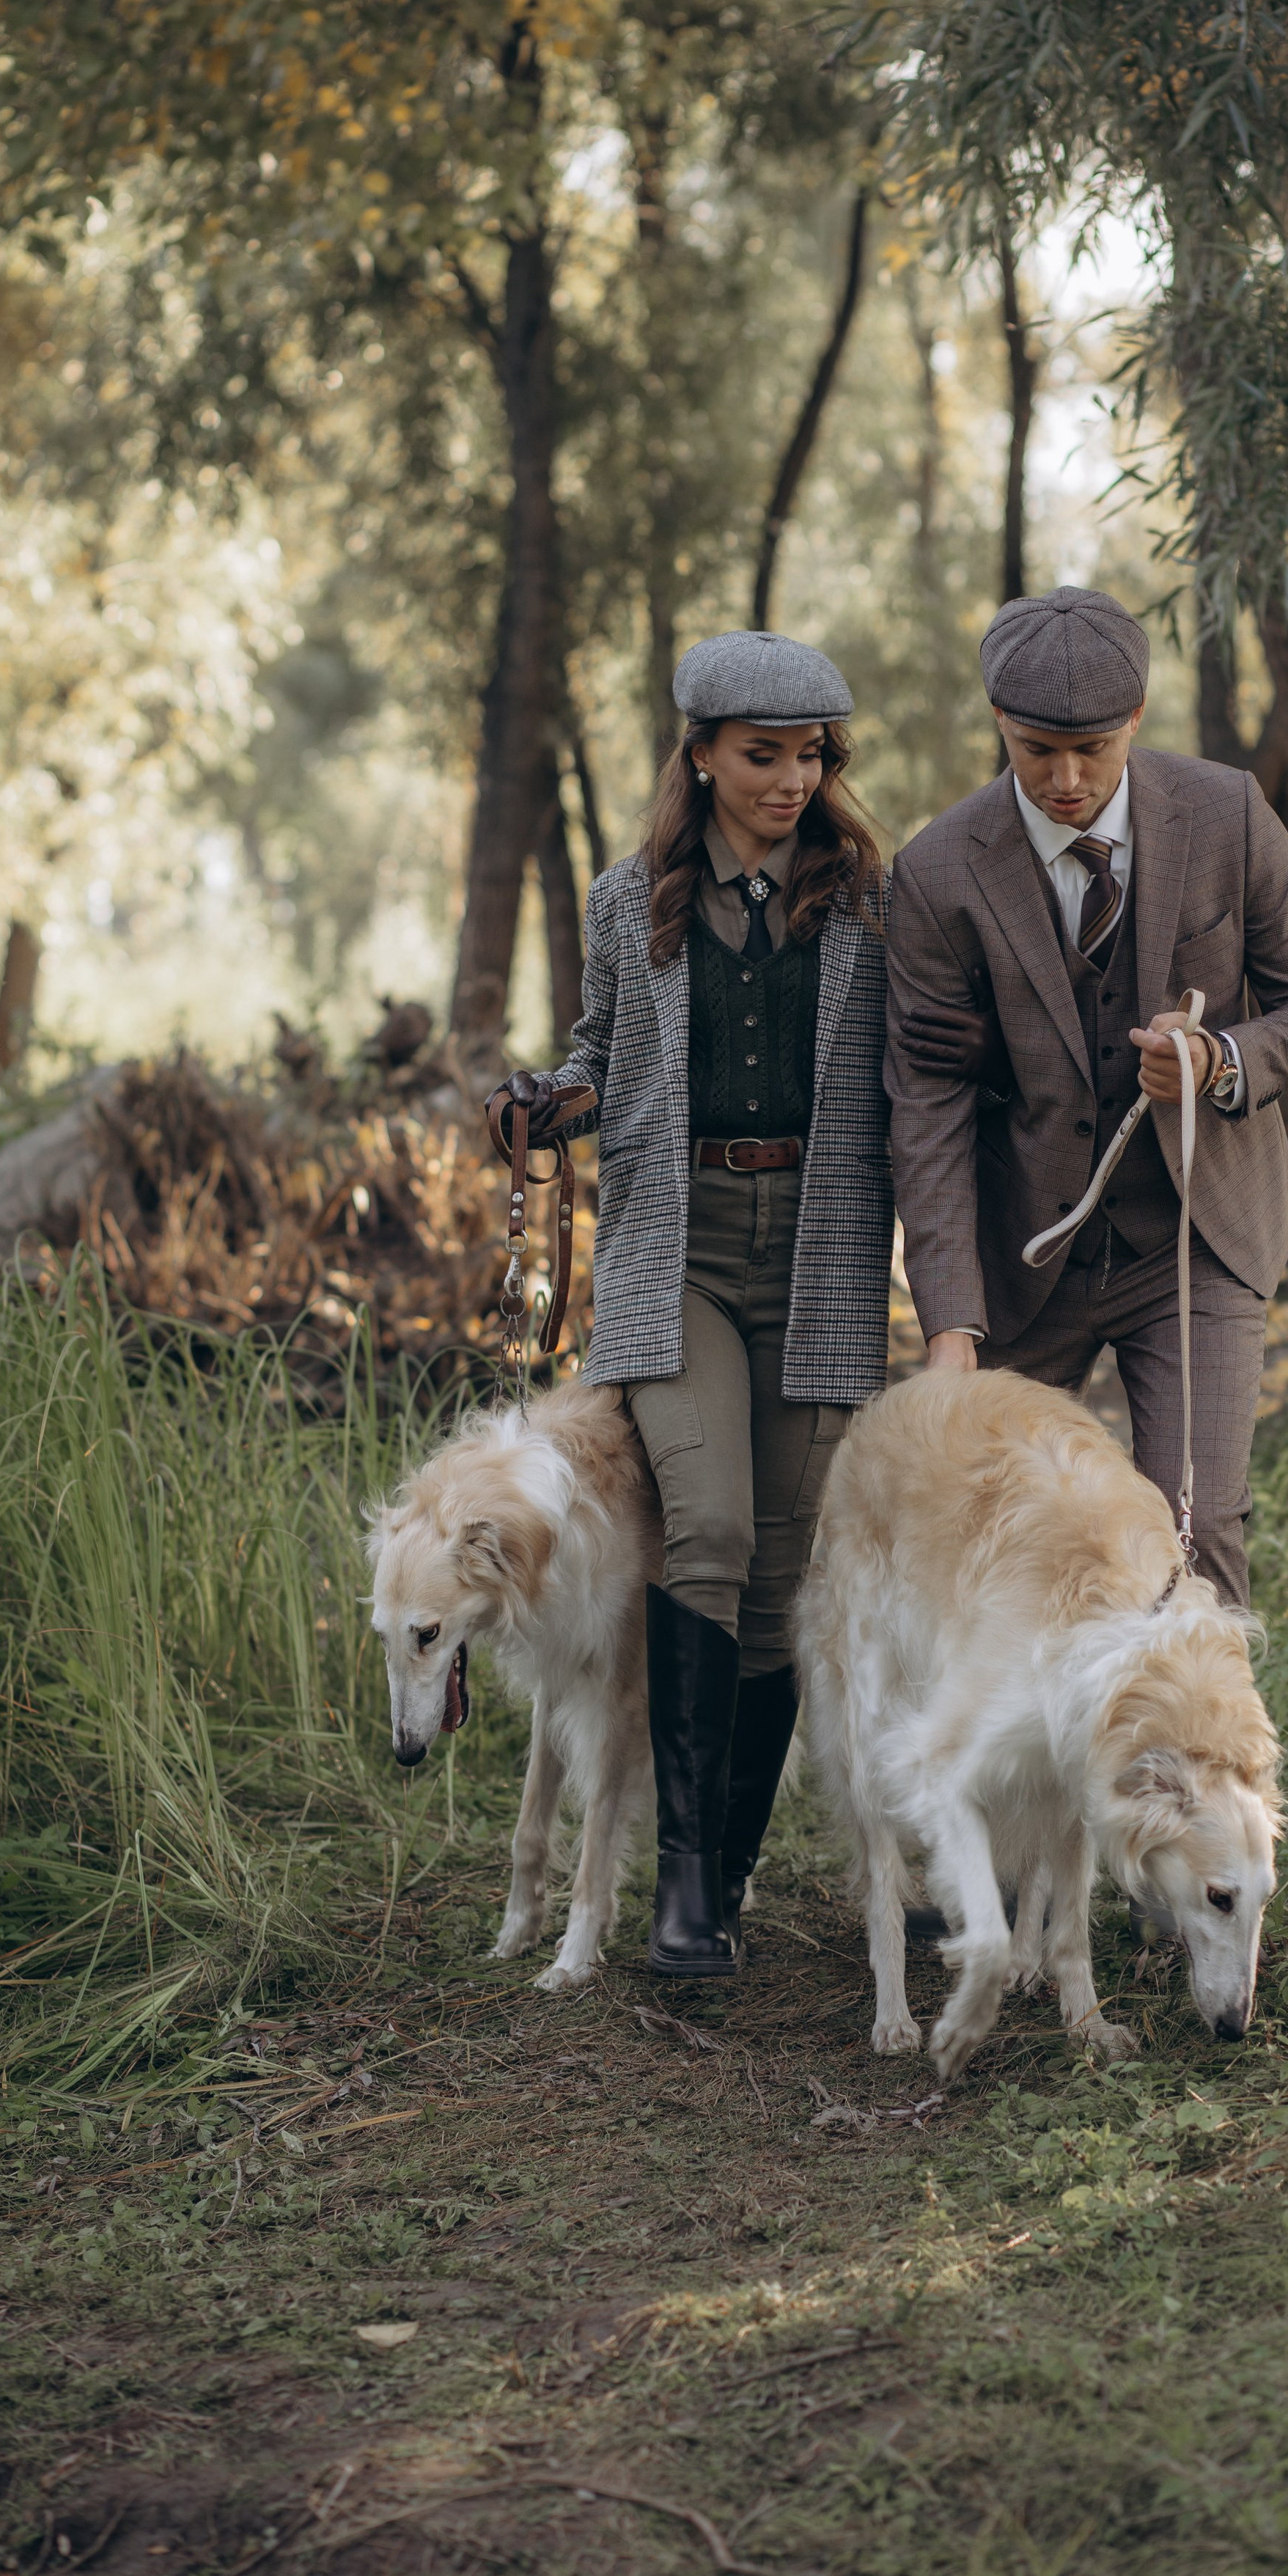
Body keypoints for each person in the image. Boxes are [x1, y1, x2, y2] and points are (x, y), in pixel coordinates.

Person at [490, 631, 891, 1978]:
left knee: (783, 1570)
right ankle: (681, 1885)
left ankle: (724, 1882)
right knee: (708, 1526)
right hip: (679, 1249)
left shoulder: (871, 902)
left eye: (811, 755)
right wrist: (552, 1097)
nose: (792, 780)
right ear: (703, 756)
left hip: (826, 1247)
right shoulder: (628, 900)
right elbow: (602, 1048)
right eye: (763, 756)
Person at [885, 586, 1288, 1609]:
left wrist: (1220, 1062)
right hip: (1024, 1261)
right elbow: (927, 1114)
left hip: (1198, 1235)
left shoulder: (1228, 813)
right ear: (999, 726)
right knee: (1002, 1539)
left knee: (1200, 1523)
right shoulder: (932, 873)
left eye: (1091, 749)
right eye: (1034, 749)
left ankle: (1211, 1763)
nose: (1064, 779)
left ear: (1136, 721)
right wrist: (950, 1330)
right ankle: (1040, 1762)